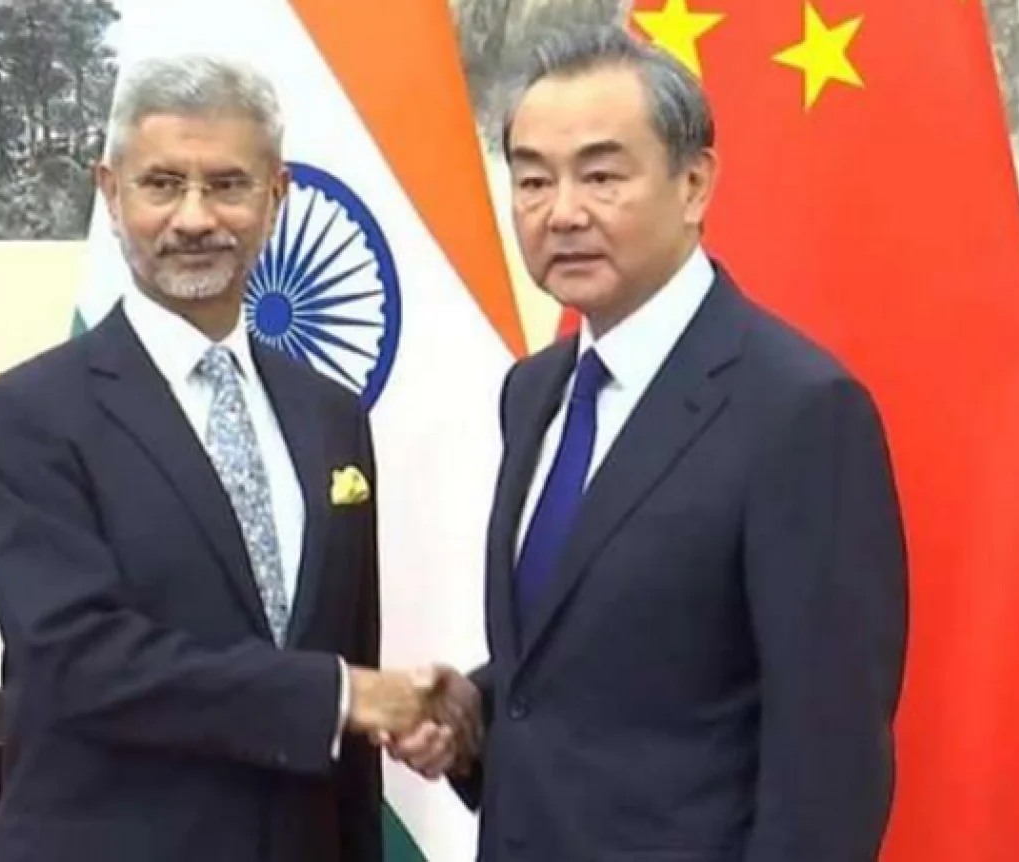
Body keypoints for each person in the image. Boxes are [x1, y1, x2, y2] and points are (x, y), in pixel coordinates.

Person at [390, 24, 909, 862]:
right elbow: (608, 655)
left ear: (694, 183)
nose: (563, 212)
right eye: (533, 179)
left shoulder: (799, 411)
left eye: (601, 176)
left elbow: (830, 760)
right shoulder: (535, 392)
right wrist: (472, 712)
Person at [0, 55, 438, 862]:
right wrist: (339, 696)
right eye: (161, 185)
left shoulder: (330, 415)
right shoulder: (29, 417)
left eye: (227, 185)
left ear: (276, 197)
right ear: (111, 193)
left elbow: (347, 651)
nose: (194, 218)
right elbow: (82, 662)